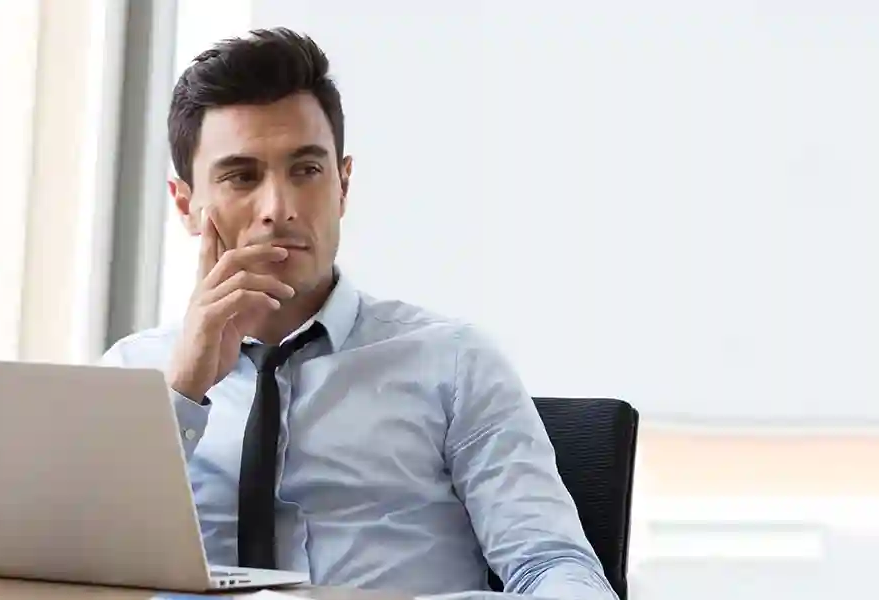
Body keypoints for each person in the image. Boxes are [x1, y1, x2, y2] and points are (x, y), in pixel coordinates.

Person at [102, 27, 616, 600]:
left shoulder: (452, 361)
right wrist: (183, 390)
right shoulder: (133, 372)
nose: (279, 208)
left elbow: (553, 568)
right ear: (185, 205)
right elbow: (81, 566)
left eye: (307, 170)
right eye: (242, 176)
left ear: (343, 184)